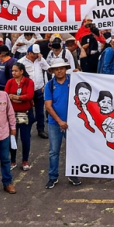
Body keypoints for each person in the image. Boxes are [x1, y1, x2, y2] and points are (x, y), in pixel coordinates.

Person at [44, 57, 79, 189]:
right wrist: (60, 121)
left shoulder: (74, 81)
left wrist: (79, 73)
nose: (59, 71)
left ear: (65, 69)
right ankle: (53, 176)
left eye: (61, 68)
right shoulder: (49, 85)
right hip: (55, 123)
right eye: (56, 69)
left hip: (72, 122)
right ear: (53, 71)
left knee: (73, 150)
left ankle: (73, 173)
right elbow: (48, 106)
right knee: (54, 151)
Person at [5, 63, 33, 172]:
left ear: (22, 71)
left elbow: (29, 95)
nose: (13, 73)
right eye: (12, 71)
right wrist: (21, 98)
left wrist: (17, 97)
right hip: (12, 115)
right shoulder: (10, 82)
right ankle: (12, 160)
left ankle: (25, 160)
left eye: (16, 71)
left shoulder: (29, 82)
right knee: (13, 138)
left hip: (25, 113)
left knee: (25, 139)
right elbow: (6, 95)